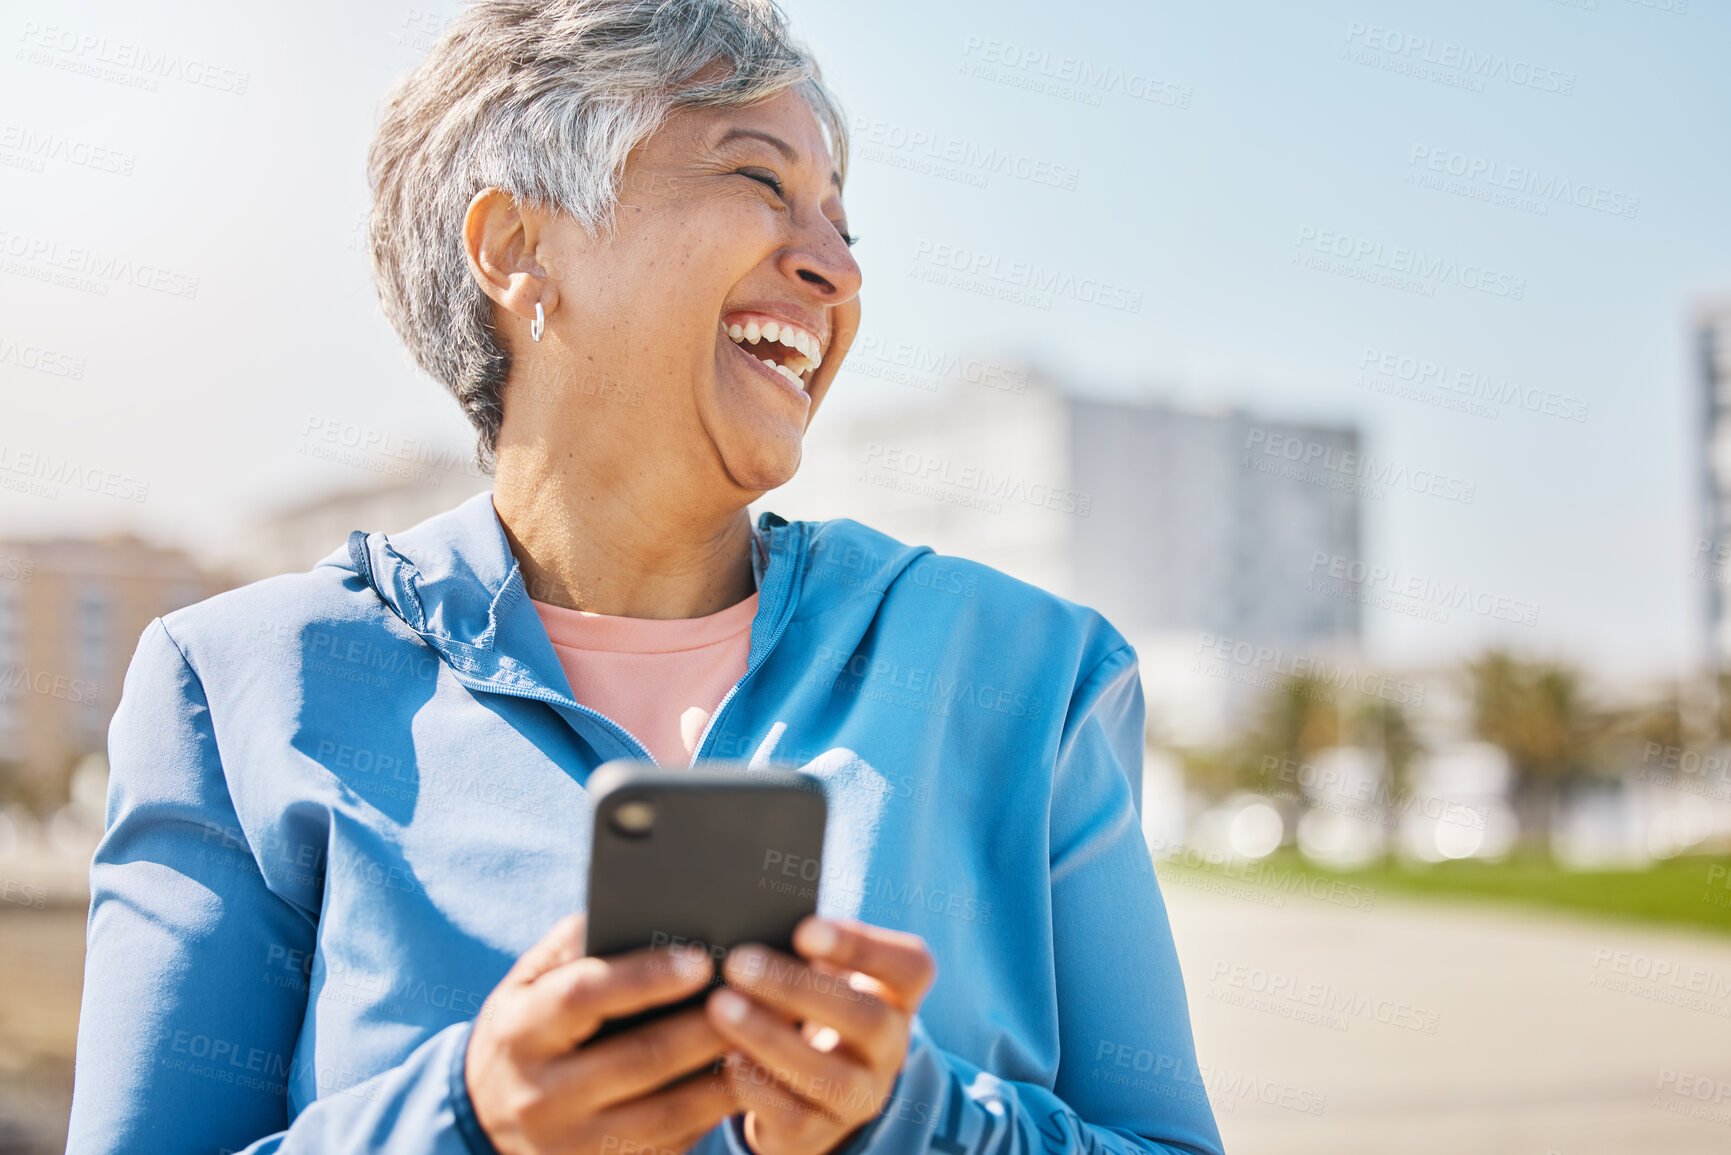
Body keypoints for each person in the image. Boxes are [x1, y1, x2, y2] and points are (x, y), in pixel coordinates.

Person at [64, 2, 1224, 1153]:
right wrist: (465, 1123)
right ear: (518, 249)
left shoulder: (1031, 674)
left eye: (842, 224)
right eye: (761, 181)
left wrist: (913, 1119)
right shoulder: (236, 689)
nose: (832, 268)